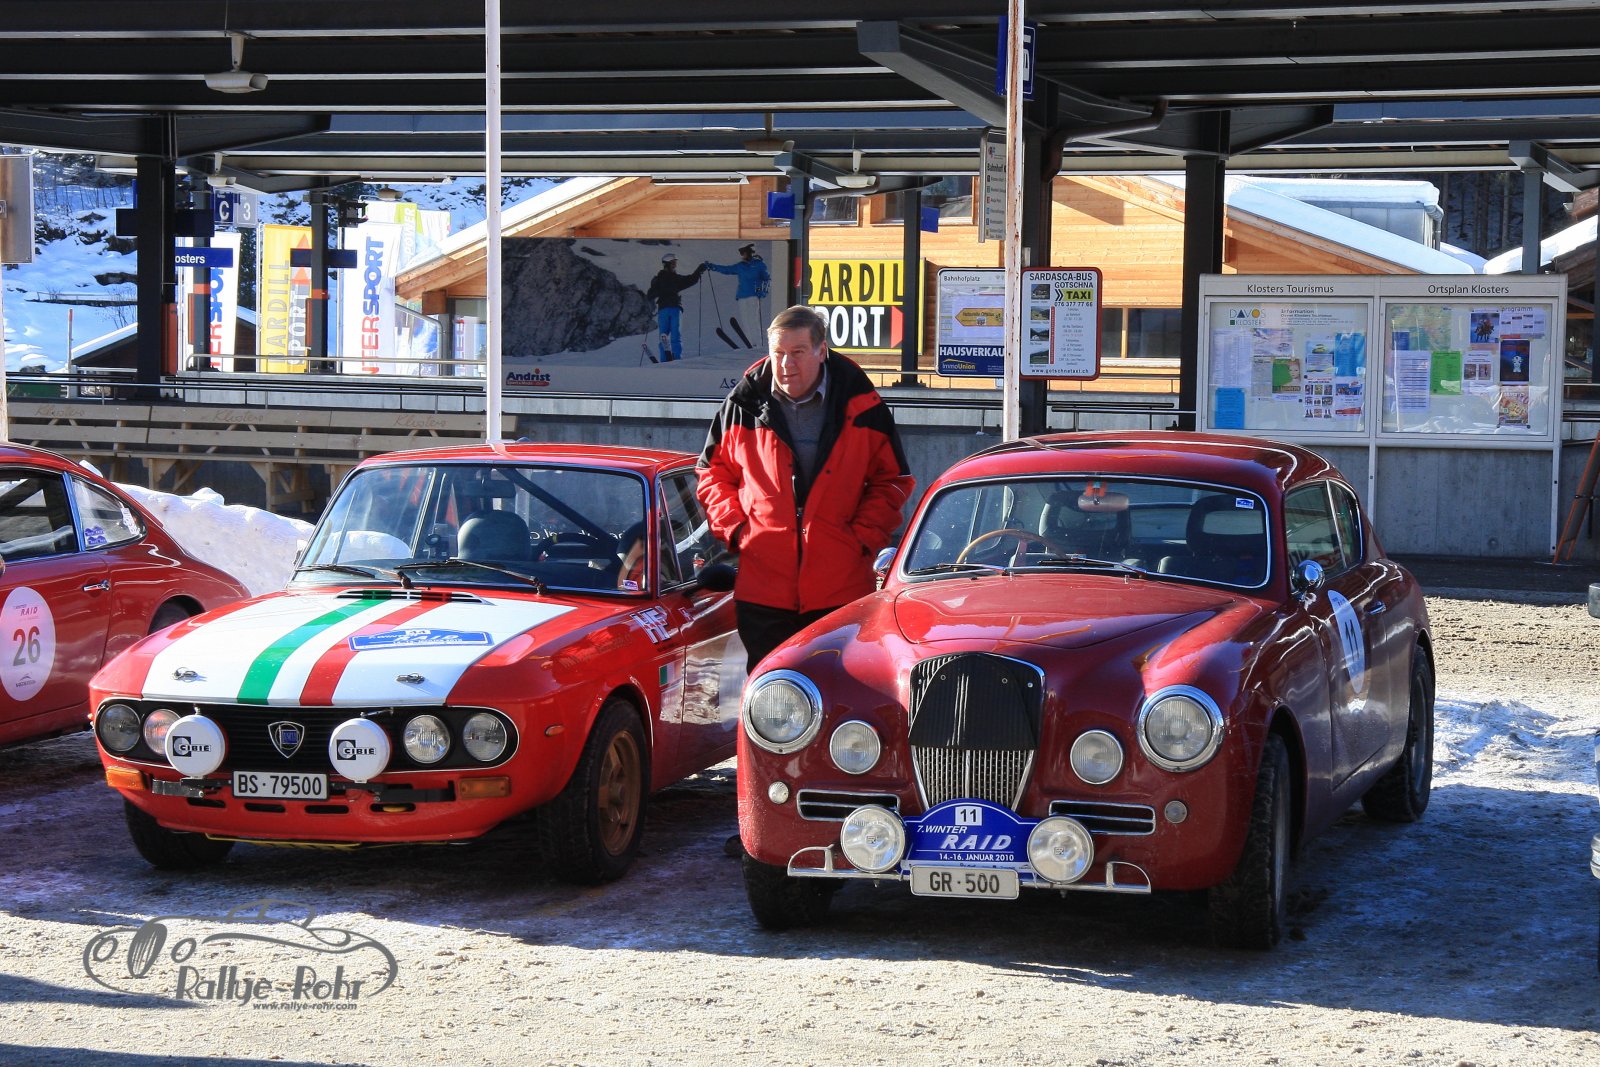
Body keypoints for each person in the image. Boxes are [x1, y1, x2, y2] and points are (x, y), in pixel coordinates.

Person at [697, 304, 914, 675]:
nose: (786, 364)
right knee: (769, 695)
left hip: (840, 592)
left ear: (821, 350)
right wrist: (738, 531)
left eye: (797, 352)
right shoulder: (743, 404)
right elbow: (712, 474)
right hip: (763, 593)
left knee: (840, 694)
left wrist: (860, 539)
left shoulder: (861, 404)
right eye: (778, 353)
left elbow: (893, 479)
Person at [702, 243, 771, 349]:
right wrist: (712, 267)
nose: (742, 255)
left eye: (743, 252)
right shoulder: (740, 266)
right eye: (741, 253)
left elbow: (767, 279)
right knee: (745, 321)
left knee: (753, 320)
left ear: (749, 252)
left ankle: (758, 344)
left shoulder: (759, 265)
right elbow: (727, 269)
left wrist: (762, 291)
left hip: (753, 296)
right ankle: (750, 343)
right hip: (742, 296)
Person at [644, 252, 706, 362]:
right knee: (676, 336)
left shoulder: (658, 279)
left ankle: (664, 360)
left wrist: (657, 288)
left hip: (663, 309)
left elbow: (650, 295)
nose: (675, 265)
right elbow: (691, 279)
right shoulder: (676, 278)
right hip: (675, 308)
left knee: (663, 335)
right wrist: (699, 270)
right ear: (667, 264)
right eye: (673, 263)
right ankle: (677, 359)